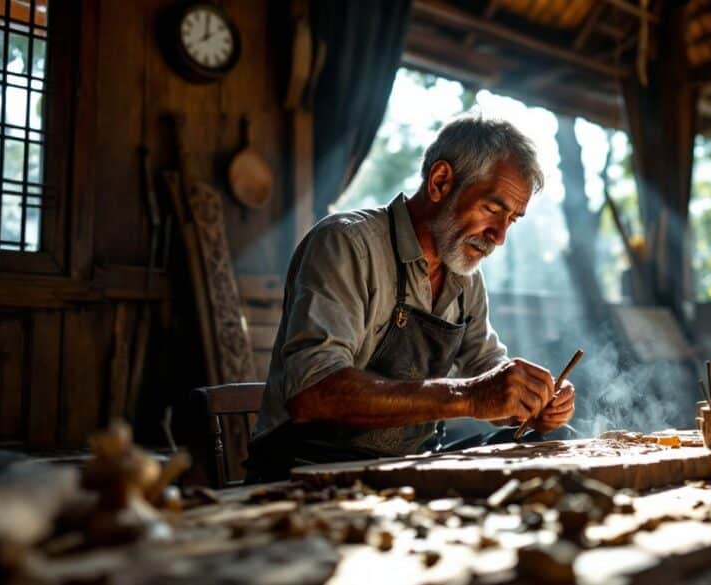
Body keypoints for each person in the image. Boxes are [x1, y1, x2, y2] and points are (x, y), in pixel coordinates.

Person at [245, 116, 576, 482]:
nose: (498, 237)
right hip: (310, 467)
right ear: (440, 182)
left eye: (512, 219)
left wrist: (528, 399)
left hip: (406, 465)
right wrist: (468, 396)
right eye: (492, 209)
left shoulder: (465, 276)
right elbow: (313, 393)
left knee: (554, 443)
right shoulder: (346, 244)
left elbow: (487, 372)